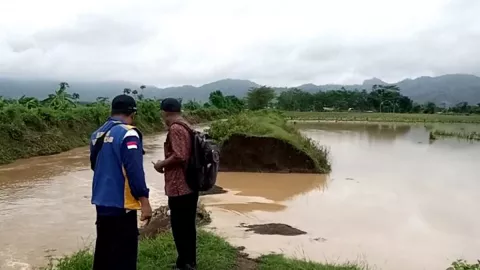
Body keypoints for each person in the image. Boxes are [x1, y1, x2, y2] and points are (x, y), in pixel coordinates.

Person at [90, 94, 152, 270]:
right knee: (124, 254)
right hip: (121, 202)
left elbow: (95, 166)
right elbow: (134, 170)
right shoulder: (129, 133)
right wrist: (144, 202)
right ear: (132, 113)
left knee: (104, 250)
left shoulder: (98, 134)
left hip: (101, 201)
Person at [153, 98, 198, 270]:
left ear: (164, 112)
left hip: (180, 186)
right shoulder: (186, 125)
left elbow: (180, 155)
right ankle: (187, 261)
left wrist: (160, 164)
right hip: (190, 183)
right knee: (187, 225)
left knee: (180, 226)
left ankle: (185, 264)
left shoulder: (176, 128)